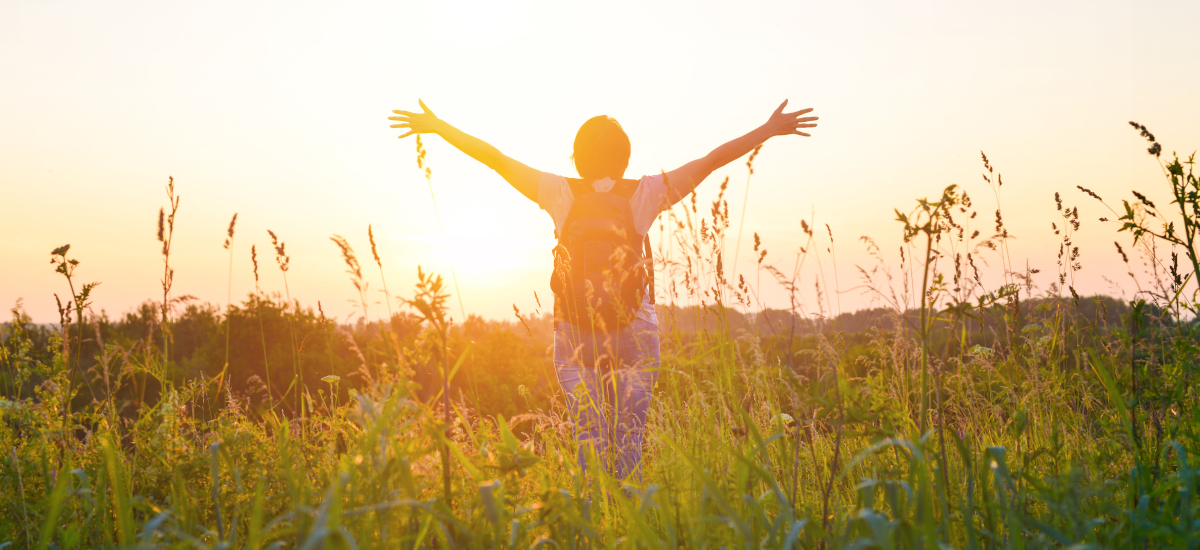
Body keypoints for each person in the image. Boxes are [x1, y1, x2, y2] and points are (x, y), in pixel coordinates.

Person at [388, 100, 817, 480]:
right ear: (625, 159)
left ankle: (593, 526)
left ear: (577, 159)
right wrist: (766, 130)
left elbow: (495, 159)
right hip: (636, 329)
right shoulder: (647, 192)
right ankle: (629, 526)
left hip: (575, 332)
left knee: (589, 444)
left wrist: (440, 127)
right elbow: (710, 161)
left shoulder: (558, 191)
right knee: (628, 443)